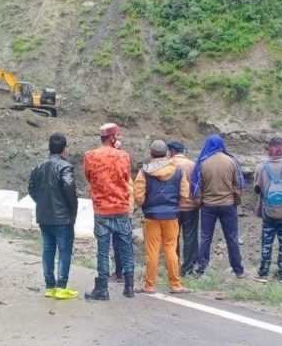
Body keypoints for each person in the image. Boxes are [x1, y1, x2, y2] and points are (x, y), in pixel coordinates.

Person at [83, 123, 135, 300]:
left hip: (101, 209)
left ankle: (102, 289)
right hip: (121, 208)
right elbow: (127, 177)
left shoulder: (89, 156)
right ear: (113, 137)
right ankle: (129, 287)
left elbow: (89, 177)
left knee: (103, 250)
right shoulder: (124, 156)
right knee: (126, 247)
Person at [133, 140, 191, 294]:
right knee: (171, 249)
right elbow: (185, 194)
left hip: (151, 216)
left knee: (152, 251)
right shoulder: (178, 170)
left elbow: (138, 196)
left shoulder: (144, 172)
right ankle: (175, 284)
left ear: (151, 154)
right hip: (171, 216)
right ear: (167, 153)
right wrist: (175, 205)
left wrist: (144, 205)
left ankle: (150, 285)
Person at [28, 133, 80, 299]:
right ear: (64, 149)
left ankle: (50, 286)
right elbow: (69, 190)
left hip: (44, 216)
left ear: (49, 147)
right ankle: (61, 286)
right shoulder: (65, 167)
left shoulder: (39, 166)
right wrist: (72, 211)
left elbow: (31, 188)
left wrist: (41, 202)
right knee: (64, 251)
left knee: (48, 250)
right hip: (62, 217)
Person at [191, 134, 247, 279]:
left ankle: (200, 269)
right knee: (232, 238)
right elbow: (240, 185)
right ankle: (238, 270)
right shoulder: (232, 161)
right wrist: (236, 201)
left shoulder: (203, 162)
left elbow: (196, 189)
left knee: (205, 237)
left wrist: (200, 203)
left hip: (208, 206)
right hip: (228, 205)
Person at [252, 137, 282, 284]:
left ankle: (263, 273)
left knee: (267, 242)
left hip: (268, 212)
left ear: (269, 149)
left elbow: (257, 189)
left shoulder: (261, 167)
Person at [168, 141, 198, 276]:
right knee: (190, 238)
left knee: (173, 238)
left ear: (172, 151)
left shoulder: (169, 164)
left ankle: (173, 267)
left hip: (173, 207)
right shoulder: (192, 165)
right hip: (190, 207)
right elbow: (198, 185)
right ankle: (188, 269)